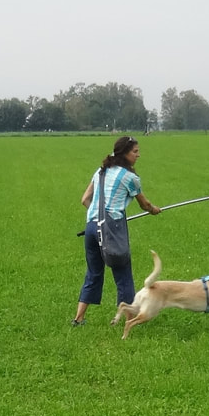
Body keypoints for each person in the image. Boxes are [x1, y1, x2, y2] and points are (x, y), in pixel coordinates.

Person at [72, 136, 161, 326]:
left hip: (91, 228)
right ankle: (130, 321)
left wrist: (98, 218)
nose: (138, 155)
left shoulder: (101, 171)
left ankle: (78, 318)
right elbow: (144, 204)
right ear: (124, 153)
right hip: (112, 230)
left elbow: (85, 199)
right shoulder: (131, 178)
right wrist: (154, 210)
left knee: (93, 273)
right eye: (135, 151)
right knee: (123, 274)